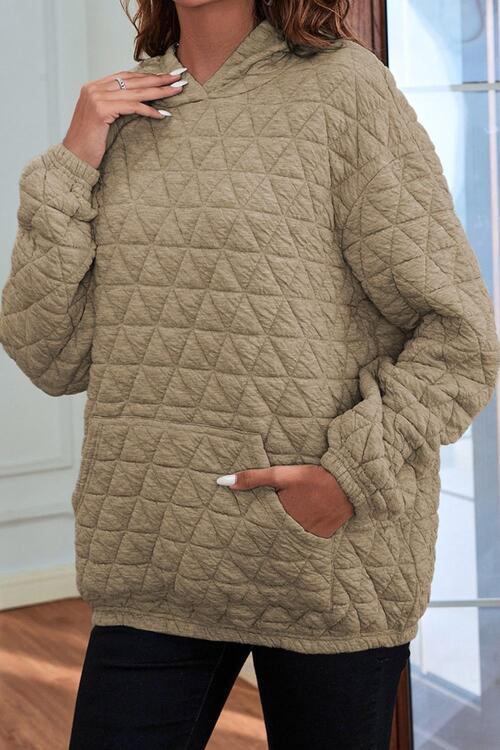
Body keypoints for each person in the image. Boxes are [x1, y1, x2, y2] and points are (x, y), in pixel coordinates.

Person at [1, 0, 499, 748]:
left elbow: (460, 334)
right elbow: (50, 352)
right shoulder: (121, 116)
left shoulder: (344, 90)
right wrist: (71, 163)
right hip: (154, 552)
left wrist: (346, 478)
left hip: (320, 560)